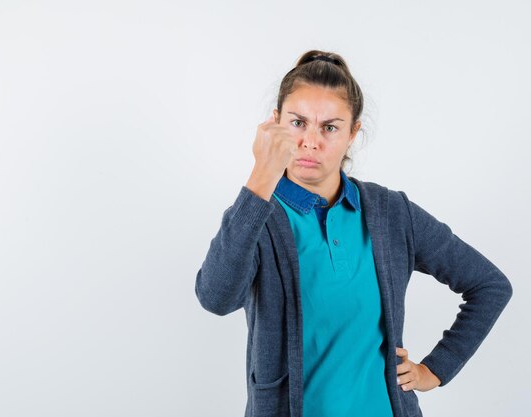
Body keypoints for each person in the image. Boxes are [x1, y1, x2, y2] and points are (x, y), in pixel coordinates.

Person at [194, 50, 513, 417]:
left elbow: (489, 285)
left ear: (352, 133)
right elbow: (215, 298)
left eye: (330, 127)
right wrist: (262, 176)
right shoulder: (255, 216)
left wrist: (436, 370)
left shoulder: (391, 211)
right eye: (298, 123)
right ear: (276, 123)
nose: (310, 142)